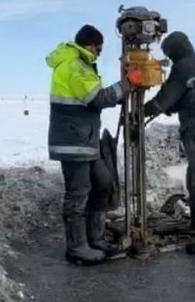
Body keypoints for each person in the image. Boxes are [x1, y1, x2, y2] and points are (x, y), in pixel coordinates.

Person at [46, 24, 144, 265]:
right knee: (77, 196)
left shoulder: (83, 64)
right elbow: (97, 98)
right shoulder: (73, 66)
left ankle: (96, 239)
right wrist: (127, 83)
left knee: (102, 184)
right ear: (89, 45)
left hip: (86, 141)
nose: (100, 53)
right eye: (99, 49)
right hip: (73, 143)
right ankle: (77, 248)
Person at [143, 31, 195, 254]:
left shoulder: (183, 67)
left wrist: (141, 110)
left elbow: (165, 99)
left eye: (168, 53)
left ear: (174, 51)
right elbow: (191, 96)